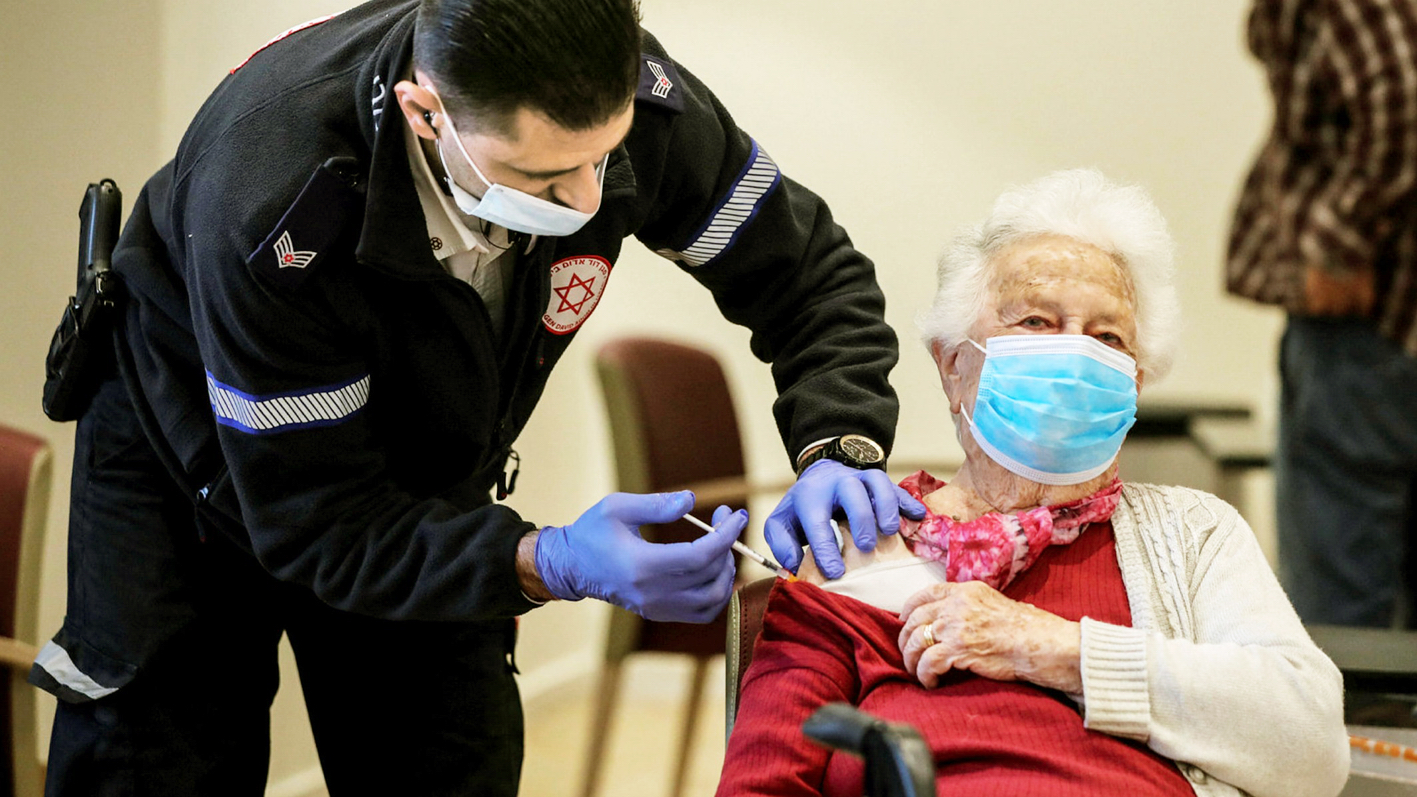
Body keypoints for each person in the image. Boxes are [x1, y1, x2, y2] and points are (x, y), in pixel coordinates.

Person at [30, 1, 925, 794]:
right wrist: (550, 559)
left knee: (448, 755)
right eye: (543, 181)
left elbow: (809, 278)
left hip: (415, 466)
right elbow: (322, 522)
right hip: (187, 459)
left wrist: (837, 444)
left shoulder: (630, 109)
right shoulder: (273, 195)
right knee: (160, 755)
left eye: (603, 158)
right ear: (426, 114)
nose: (587, 200)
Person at [717, 169, 1350, 797]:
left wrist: (1052, 648)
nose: (1076, 356)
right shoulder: (864, 549)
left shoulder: (1192, 534)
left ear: (1134, 384)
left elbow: (1312, 747)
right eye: (1037, 323)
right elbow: (762, 782)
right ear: (954, 365)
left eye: (1108, 337)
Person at [1226, 0, 1417, 628]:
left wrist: (1338, 245)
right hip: (1383, 337)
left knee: (1338, 596)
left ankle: (1347, 726)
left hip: (1371, 331)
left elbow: (1403, 104)